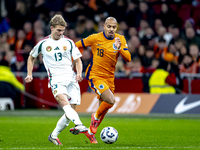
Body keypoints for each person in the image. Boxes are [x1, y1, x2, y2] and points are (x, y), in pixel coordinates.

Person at [24, 14, 95, 145]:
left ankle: (53, 135)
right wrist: (29, 74)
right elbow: (31, 57)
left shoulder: (68, 42)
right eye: (58, 30)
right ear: (51, 28)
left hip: (71, 78)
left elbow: (78, 60)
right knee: (64, 103)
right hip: (56, 79)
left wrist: (79, 73)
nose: (61, 33)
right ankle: (79, 125)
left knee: (71, 111)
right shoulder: (43, 43)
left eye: (63, 30)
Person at [75, 17, 131, 141]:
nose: (111, 29)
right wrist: (77, 60)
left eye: (114, 27)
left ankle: (90, 133)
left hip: (110, 78)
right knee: (110, 100)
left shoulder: (120, 39)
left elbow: (128, 58)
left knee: (104, 108)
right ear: (104, 26)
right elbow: (76, 45)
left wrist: (119, 48)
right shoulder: (95, 38)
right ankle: (94, 117)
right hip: (95, 75)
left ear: (116, 28)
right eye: (109, 26)